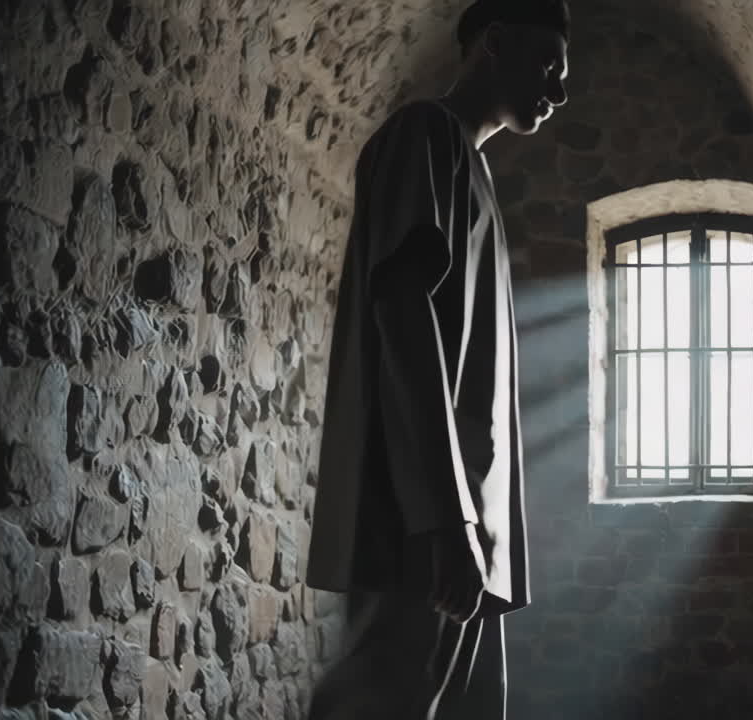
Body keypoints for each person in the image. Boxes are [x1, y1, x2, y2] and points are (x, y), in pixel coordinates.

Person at [304, 1, 570, 718]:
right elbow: (400, 305)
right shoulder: (427, 137)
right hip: (429, 525)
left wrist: (470, 528)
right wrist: (445, 517)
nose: (559, 90)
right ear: (492, 43)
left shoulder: (472, 171)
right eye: (549, 64)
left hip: (464, 530)